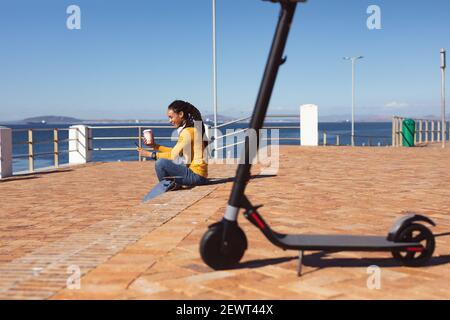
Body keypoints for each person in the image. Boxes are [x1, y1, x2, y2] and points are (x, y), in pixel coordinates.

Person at [137, 100, 209, 188]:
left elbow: (173, 156)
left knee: (160, 163)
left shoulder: (188, 132)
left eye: (171, 117)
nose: (170, 120)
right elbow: (175, 152)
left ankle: (170, 186)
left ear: (181, 114)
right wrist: (154, 146)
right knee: (172, 161)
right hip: (199, 176)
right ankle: (174, 184)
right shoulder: (191, 130)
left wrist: (150, 154)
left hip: (196, 177)